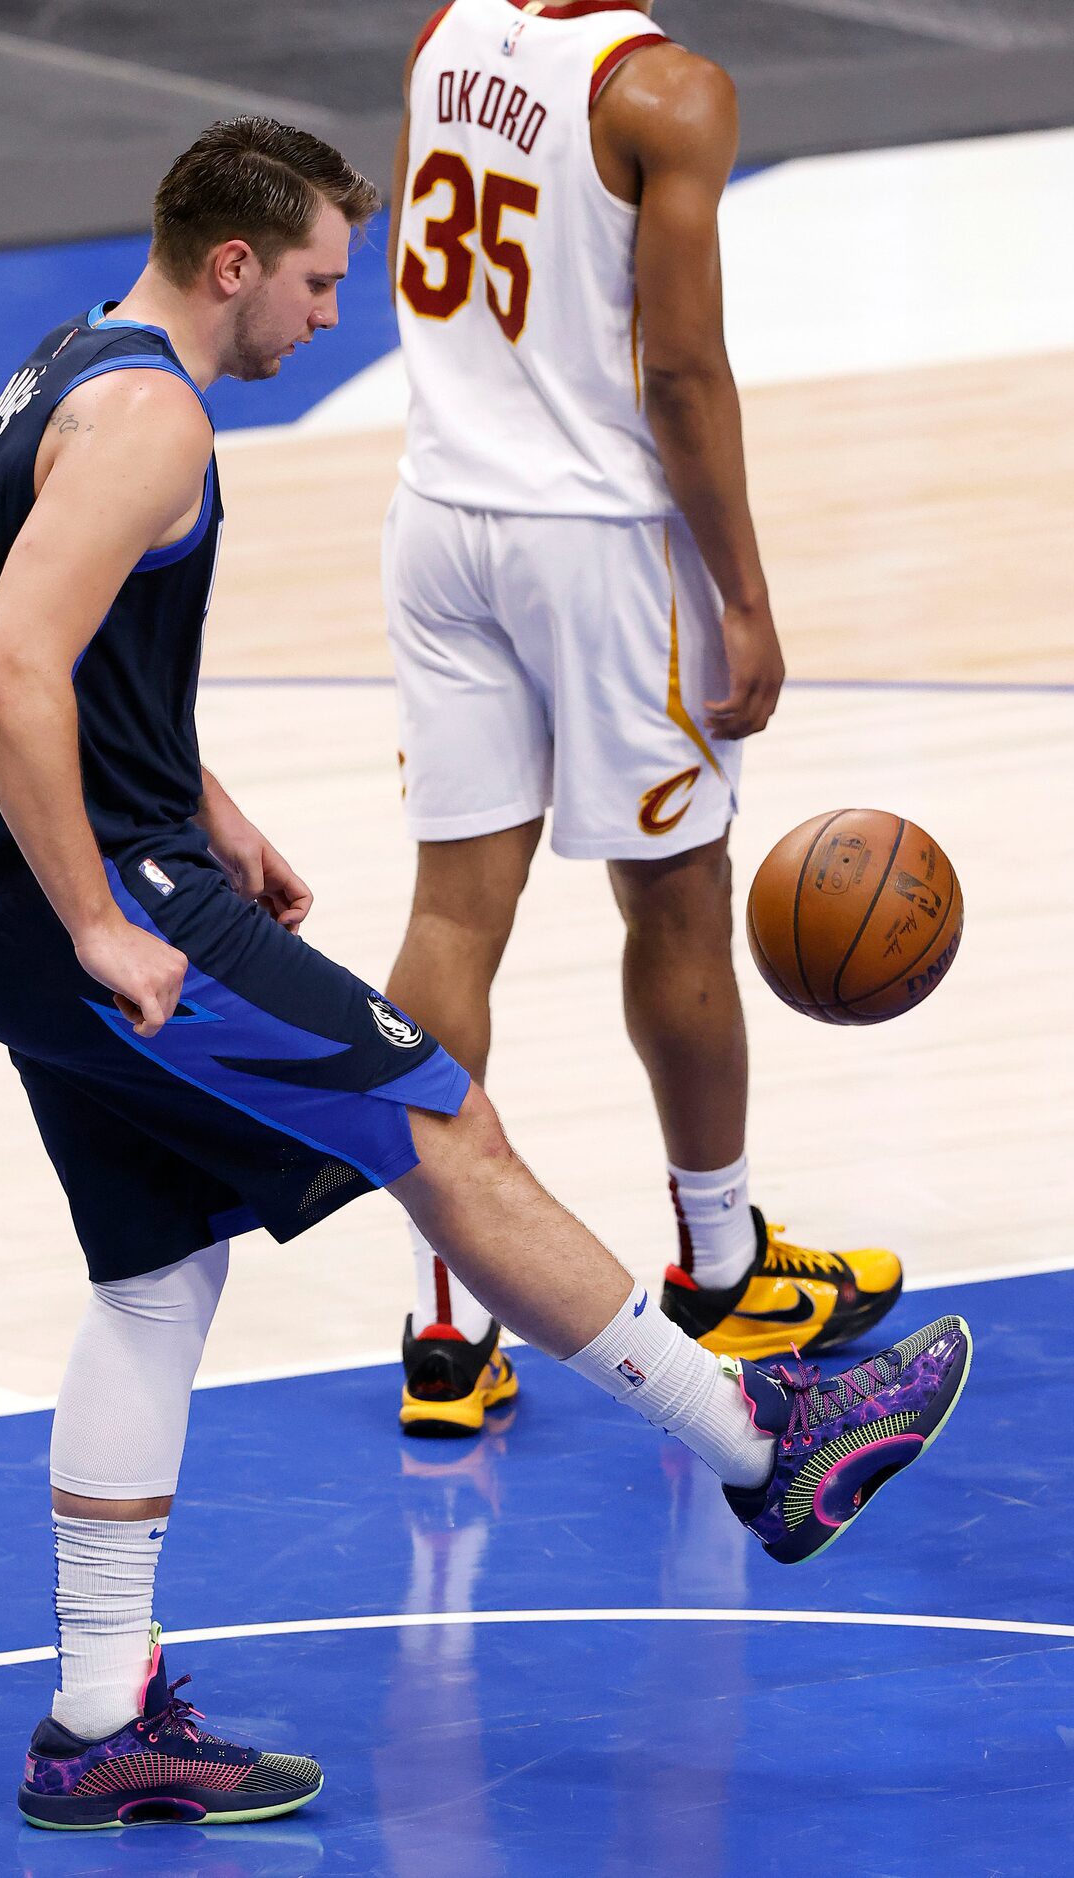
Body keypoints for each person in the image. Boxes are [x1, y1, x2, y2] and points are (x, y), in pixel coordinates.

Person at [0, 115, 970, 1836]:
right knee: (442, 1121)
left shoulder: (71, 368)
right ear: (234, 262)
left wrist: (207, 804)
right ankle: (772, 1446)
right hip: (78, 912)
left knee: (158, 1272)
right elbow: (11, 667)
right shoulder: (157, 415)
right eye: (323, 281)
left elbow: (44, 649)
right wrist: (110, 918)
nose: (337, 316)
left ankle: (98, 1719)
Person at [383, 0, 904, 1438]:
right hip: (601, 544)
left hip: (439, 507)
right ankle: (723, 1261)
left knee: (450, 921)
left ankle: (445, 1323)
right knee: (676, 900)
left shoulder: (444, 37)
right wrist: (744, 590)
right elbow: (679, 374)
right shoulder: (669, 93)